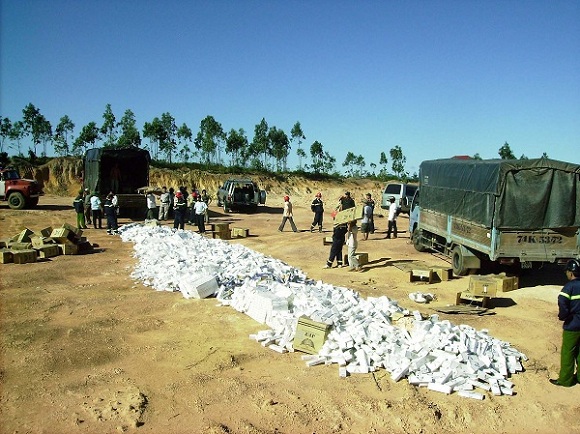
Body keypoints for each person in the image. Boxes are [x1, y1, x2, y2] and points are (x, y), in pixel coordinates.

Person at [550, 259, 580, 387]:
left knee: (568, 352)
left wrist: (563, 316)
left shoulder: (569, 287)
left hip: (572, 325)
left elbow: (562, 302)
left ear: (571, 272)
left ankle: (566, 380)